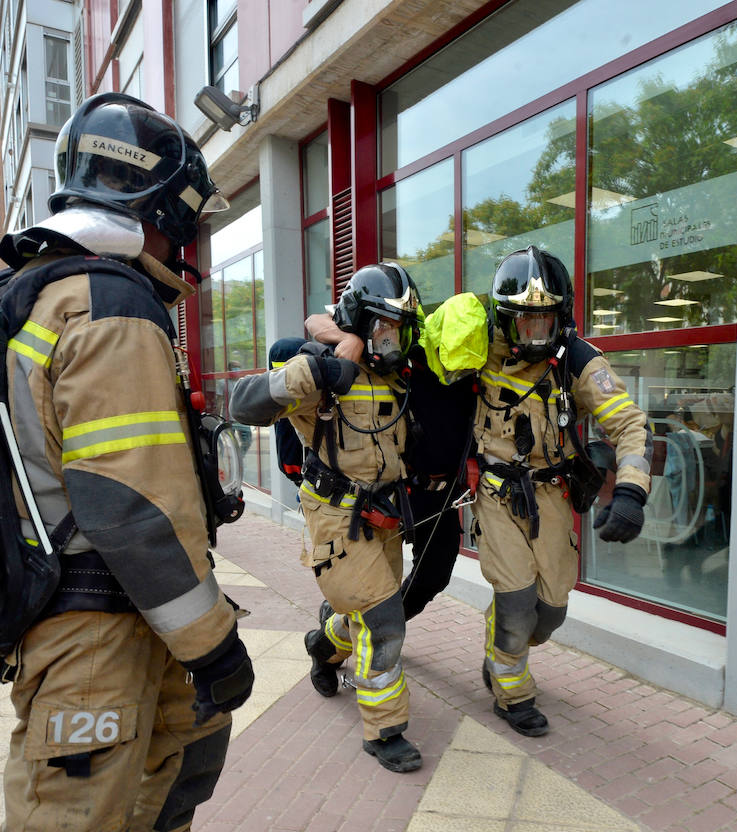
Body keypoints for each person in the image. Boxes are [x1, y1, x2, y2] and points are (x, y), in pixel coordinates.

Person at [0, 93, 253, 832]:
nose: (190, 242)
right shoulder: (109, 303)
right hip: (97, 626)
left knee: (178, 757)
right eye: (187, 220)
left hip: (124, 617)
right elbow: (128, 508)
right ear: (157, 207)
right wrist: (213, 647)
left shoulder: (44, 288)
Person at [229, 263, 425, 773]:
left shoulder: (397, 376)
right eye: (383, 328)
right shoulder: (321, 367)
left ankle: (324, 643)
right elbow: (243, 403)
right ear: (361, 322)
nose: (393, 341)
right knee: (385, 625)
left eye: (400, 329)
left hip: (384, 518)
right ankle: (385, 730)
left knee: (365, 615)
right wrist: (313, 369)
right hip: (337, 520)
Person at [473, 246, 652, 736]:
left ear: (562, 316)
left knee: (548, 613)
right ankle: (511, 692)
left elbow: (631, 425)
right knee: (515, 600)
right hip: (497, 492)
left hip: (551, 494)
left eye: (545, 321)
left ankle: (504, 647)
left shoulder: (576, 359)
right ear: (504, 318)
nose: (535, 333)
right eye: (525, 322)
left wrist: (631, 492)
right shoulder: (475, 345)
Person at [303, 302, 477, 627]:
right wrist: (350, 337)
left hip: (442, 493)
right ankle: (340, 640)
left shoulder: (473, 357)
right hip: (398, 490)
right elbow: (315, 318)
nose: (455, 374)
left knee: (435, 576)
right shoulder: (411, 348)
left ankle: (350, 627)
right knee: (375, 579)